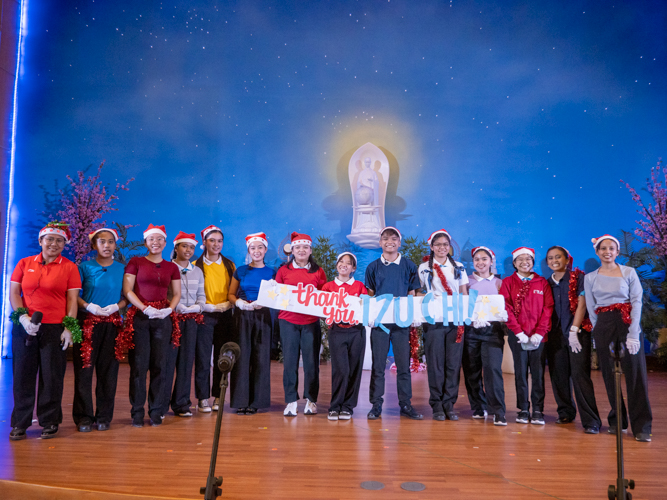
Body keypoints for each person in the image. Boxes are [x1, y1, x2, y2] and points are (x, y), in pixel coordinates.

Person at [9, 222, 81, 440]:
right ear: (40, 241)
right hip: (26, 327)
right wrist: (22, 317)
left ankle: (49, 421)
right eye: (49, 239)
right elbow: (14, 293)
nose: (54, 243)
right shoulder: (24, 263)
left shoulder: (69, 267)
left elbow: (72, 300)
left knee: (52, 377)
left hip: (53, 329)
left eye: (59, 240)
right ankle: (20, 423)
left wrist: (69, 327)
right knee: (22, 375)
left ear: (64, 244)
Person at [584, 234, 652, 442]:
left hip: (626, 320)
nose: (607, 252)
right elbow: (591, 306)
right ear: (597, 252)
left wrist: (633, 332)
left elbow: (637, 301)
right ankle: (617, 420)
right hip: (604, 324)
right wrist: (597, 332)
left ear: (617, 251)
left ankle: (642, 426)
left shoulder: (629, 272)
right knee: (609, 374)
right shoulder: (590, 277)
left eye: (612, 248)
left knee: (635, 373)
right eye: (603, 248)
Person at [122, 224, 181, 427]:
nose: (155, 243)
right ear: (146, 242)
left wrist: (169, 309)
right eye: (151, 239)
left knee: (159, 365)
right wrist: (144, 308)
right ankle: (137, 411)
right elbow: (128, 290)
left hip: (162, 319)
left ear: (165, 243)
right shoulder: (135, 262)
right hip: (140, 318)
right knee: (139, 366)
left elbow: (177, 294)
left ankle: (156, 410)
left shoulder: (171, 267)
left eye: (159, 239)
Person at [365, 226, 422, 420]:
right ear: (380, 242)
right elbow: (371, 294)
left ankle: (405, 404)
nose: (390, 241)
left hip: (402, 323)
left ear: (399, 242)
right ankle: (376, 404)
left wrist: (411, 317)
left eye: (394, 238)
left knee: (403, 365)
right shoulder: (373, 267)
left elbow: (412, 294)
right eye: (385, 238)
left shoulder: (409, 265)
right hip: (380, 324)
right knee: (378, 365)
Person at [73, 228, 127, 432]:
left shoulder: (122, 268)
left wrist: (117, 306)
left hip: (111, 324)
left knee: (108, 371)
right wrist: (88, 306)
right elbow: (74, 294)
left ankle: (104, 415)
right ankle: (83, 417)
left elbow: (127, 295)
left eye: (111, 242)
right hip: (87, 323)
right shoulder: (84, 267)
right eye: (102, 242)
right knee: (84, 371)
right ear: (94, 245)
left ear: (115, 245)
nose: (106, 245)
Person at [545, 246, 601, 434]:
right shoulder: (547, 283)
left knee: (580, 375)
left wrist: (574, 330)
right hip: (555, 336)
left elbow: (583, 303)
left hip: (578, 334)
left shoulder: (580, 278)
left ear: (567, 259)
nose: (554, 260)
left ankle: (591, 420)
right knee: (559, 375)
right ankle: (566, 412)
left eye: (558, 257)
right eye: (550, 258)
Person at [417, 229, 469, 421]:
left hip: (455, 320)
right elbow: (417, 292)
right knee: (436, 363)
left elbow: (464, 293)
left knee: (453, 364)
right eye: (437, 245)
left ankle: (449, 404)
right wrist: (431, 297)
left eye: (445, 245)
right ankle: (437, 404)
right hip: (434, 320)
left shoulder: (460, 267)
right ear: (431, 247)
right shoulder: (423, 267)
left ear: (450, 248)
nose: (441, 248)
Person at [499, 247, 553, 425]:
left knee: (537, 374)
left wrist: (540, 332)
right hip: (518, 336)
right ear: (514, 263)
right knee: (520, 374)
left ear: (533, 261)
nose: (524, 262)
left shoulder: (542, 283)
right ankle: (523, 408)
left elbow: (548, 309)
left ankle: (538, 409)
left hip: (539, 337)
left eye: (528, 259)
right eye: (520, 259)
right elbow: (505, 308)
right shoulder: (508, 282)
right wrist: (518, 332)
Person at [275, 232, 327, 417]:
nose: (301, 250)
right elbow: (277, 296)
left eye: (305, 247)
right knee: (289, 362)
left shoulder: (318, 271)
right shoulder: (283, 271)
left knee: (312, 363)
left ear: (310, 250)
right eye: (298, 247)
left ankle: (311, 400)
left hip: (310, 322)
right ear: (292, 250)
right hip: (288, 321)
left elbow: (324, 297)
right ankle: (290, 401)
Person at [228, 232, 276, 415]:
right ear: (249, 250)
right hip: (243, 316)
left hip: (263, 316)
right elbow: (231, 294)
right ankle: (241, 400)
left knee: (261, 358)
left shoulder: (272, 272)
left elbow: (277, 296)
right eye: (253, 248)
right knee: (242, 357)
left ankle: (256, 401)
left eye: (260, 247)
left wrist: (265, 303)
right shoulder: (241, 270)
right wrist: (239, 303)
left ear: (265, 250)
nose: (256, 251)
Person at [160, 232, 206, 418]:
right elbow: (164, 293)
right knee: (167, 363)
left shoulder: (198, 271)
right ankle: (160, 406)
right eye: (184, 246)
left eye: (191, 247)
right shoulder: (168, 268)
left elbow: (201, 294)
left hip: (192, 320)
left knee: (187, 363)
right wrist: (175, 306)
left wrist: (198, 306)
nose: (188, 250)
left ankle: (181, 404)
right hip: (172, 320)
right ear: (176, 248)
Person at [461, 246, 507, 426]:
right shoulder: (466, 282)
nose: (480, 262)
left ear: (491, 261)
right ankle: (478, 406)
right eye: (477, 259)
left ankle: (498, 411)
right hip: (471, 331)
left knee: (493, 371)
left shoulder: (499, 283)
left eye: (484, 259)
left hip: (492, 332)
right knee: (472, 371)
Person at [193, 225, 236, 413]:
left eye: (219, 240)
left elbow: (234, 290)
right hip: (204, 315)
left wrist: (229, 304)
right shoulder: (195, 266)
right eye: (212, 240)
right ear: (204, 242)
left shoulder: (229, 265)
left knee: (222, 357)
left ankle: (219, 396)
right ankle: (202, 398)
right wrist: (204, 306)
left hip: (225, 315)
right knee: (202, 357)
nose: (216, 244)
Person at [322, 252, 368, 421]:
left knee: (354, 369)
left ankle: (348, 407)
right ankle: (335, 406)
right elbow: (320, 308)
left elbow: (366, 306)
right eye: (341, 262)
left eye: (348, 263)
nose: (344, 265)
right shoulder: (327, 287)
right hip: (337, 331)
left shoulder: (359, 287)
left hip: (357, 331)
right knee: (341, 369)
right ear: (337, 265)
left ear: (353, 268)